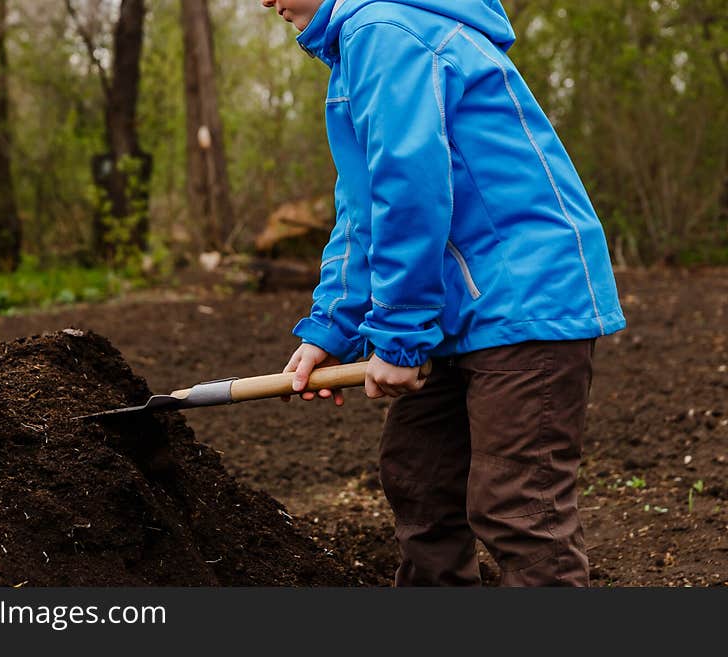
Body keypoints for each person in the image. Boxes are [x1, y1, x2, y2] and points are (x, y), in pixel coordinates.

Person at [262, 0, 626, 586]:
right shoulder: (360, 49)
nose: (264, 1)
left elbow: (410, 188)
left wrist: (400, 337)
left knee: (518, 506)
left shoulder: (384, 31)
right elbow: (363, 210)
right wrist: (333, 327)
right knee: (421, 480)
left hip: (523, 300)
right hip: (459, 311)